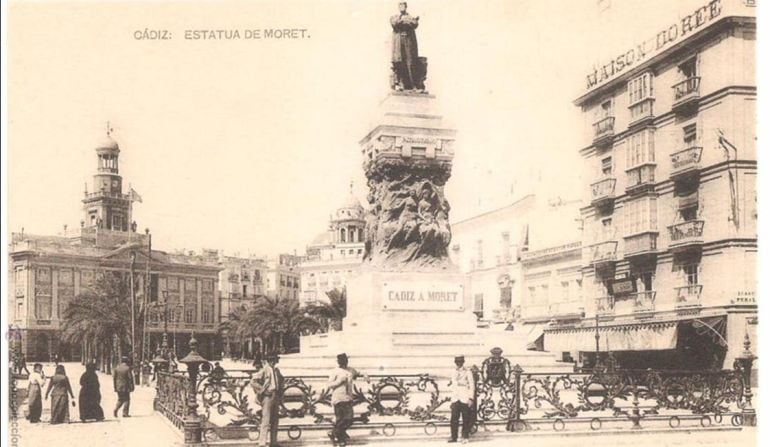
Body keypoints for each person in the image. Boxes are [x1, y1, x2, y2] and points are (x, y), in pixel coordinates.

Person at [327, 353, 369, 446]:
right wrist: (339, 381)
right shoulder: (335, 371)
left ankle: (334, 433)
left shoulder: (350, 370)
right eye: (342, 361)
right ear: (339, 362)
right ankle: (340, 439)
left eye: (346, 360)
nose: (345, 362)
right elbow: (329, 384)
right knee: (340, 419)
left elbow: (359, 372)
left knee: (349, 419)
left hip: (348, 398)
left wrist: (365, 375)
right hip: (338, 399)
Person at [390, 2, 424, 91]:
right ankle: (399, 84)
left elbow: (414, 24)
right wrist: (404, 21)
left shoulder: (410, 17)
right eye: (400, 6)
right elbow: (394, 23)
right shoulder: (395, 17)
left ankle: (414, 85)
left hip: (408, 42)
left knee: (411, 62)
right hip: (398, 43)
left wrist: (406, 21)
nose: (402, 7)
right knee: (399, 62)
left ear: (406, 7)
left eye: (403, 6)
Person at [250, 353, 282, 447]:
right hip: (267, 397)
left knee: (275, 420)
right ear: (270, 361)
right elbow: (253, 381)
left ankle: (273, 442)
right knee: (266, 420)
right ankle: (262, 443)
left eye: (275, 360)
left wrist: (280, 392)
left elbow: (281, 380)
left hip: (275, 396)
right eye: (274, 360)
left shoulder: (276, 370)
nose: (275, 362)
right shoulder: (264, 370)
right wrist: (263, 391)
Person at [447, 355, 475, 444]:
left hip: (464, 396)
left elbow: (472, 386)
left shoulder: (468, 372)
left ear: (463, 362)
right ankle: (454, 437)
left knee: (466, 418)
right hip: (455, 398)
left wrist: (471, 398)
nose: (459, 364)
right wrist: (451, 399)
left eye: (460, 362)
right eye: (457, 362)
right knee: (454, 418)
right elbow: (452, 386)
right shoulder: (453, 371)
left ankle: (465, 437)